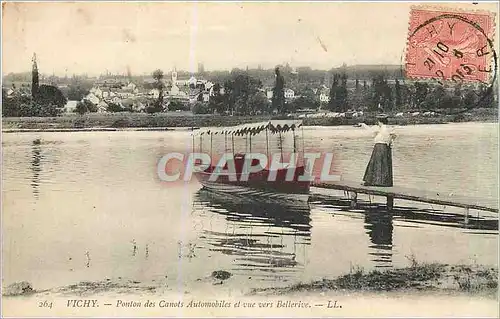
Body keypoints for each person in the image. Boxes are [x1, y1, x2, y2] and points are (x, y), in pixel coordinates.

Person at [360, 114, 396, 187]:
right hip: (386, 147)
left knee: (375, 164)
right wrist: (390, 141)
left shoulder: (379, 128)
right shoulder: (389, 128)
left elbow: (370, 131)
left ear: (380, 121)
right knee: (384, 164)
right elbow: (394, 136)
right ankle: (384, 182)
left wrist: (363, 125)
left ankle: (373, 181)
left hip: (378, 147)